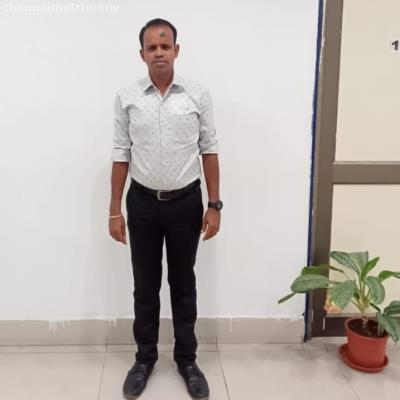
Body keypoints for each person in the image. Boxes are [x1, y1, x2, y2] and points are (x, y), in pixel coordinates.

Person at [108, 18, 222, 400]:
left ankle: (187, 360)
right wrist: (114, 210)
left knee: (183, 284)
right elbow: (121, 153)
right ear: (142, 54)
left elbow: (209, 149)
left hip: (186, 204)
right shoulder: (127, 97)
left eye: (165, 45)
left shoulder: (197, 95)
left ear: (176, 50)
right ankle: (144, 360)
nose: (159, 52)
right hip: (142, 204)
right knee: (145, 286)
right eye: (152, 47)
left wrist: (214, 205)